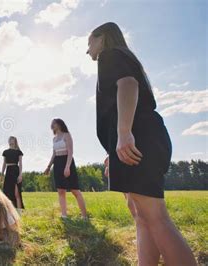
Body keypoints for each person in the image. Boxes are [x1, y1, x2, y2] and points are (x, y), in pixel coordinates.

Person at [88, 22, 196, 265]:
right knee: (140, 215)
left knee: (155, 217)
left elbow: (128, 84)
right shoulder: (121, 58)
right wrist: (112, 150)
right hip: (138, 139)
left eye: (89, 43)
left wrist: (124, 133)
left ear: (102, 37)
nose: (88, 51)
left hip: (139, 138)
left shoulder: (110, 55)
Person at [44, 119, 87, 219]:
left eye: (54, 123)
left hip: (67, 161)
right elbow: (54, 154)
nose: (52, 125)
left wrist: (67, 167)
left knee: (74, 190)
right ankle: (64, 215)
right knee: (61, 191)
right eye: (51, 124)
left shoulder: (66, 135)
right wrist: (48, 167)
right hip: (57, 164)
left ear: (59, 124)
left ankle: (84, 216)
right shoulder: (54, 139)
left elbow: (70, 151)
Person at [1, 136, 24, 210]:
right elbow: (4, 163)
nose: (11, 141)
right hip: (8, 172)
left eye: (12, 139)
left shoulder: (19, 152)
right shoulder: (5, 152)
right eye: (9, 139)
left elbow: (20, 164)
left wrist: (20, 175)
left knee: (17, 193)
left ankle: (20, 212)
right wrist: (2, 174)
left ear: (15, 141)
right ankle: (10, 211)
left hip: (15, 171)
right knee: (7, 192)